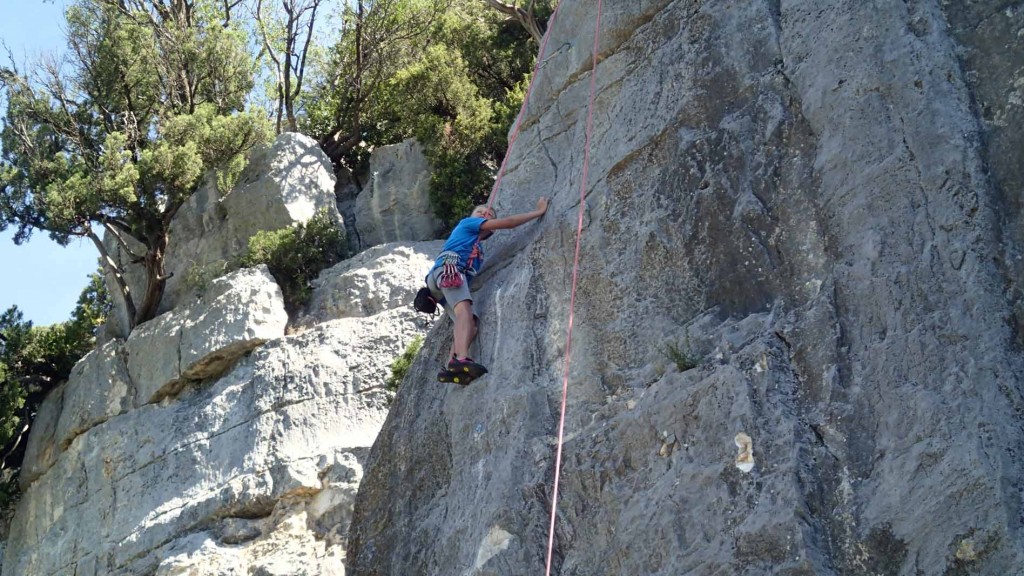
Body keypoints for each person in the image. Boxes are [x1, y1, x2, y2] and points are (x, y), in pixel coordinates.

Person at [427, 197, 549, 383]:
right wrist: (538, 212)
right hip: (449, 270)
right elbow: (508, 223)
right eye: (480, 212)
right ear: (474, 218)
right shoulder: (467, 224)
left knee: (471, 324)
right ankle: (461, 359)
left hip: (443, 280)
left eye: (489, 214)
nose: (485, 213)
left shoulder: (475, 247)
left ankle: (451, 366)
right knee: (464, 312)